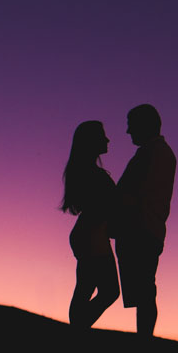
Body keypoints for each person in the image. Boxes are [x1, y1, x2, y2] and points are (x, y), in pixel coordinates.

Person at [115, 104, 176, 336]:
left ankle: (144, 343)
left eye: (131, 126)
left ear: (144, 125)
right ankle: (144, 341)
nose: (128, 132)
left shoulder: (154, 153)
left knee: (144, 293)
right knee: (144, 292)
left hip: (140, 231)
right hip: (145, 230)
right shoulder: (157, 152)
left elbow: (136, 193)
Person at [60, 120, 120, 328]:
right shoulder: (91, 174)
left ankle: (78, 329)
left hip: (92, 234)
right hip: (92, 235)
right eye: (102, 135)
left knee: (89, 289)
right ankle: (78, 330)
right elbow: (105, 206)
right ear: (92, 141)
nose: (107, 139)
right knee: (102, 290)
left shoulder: (88, 171)